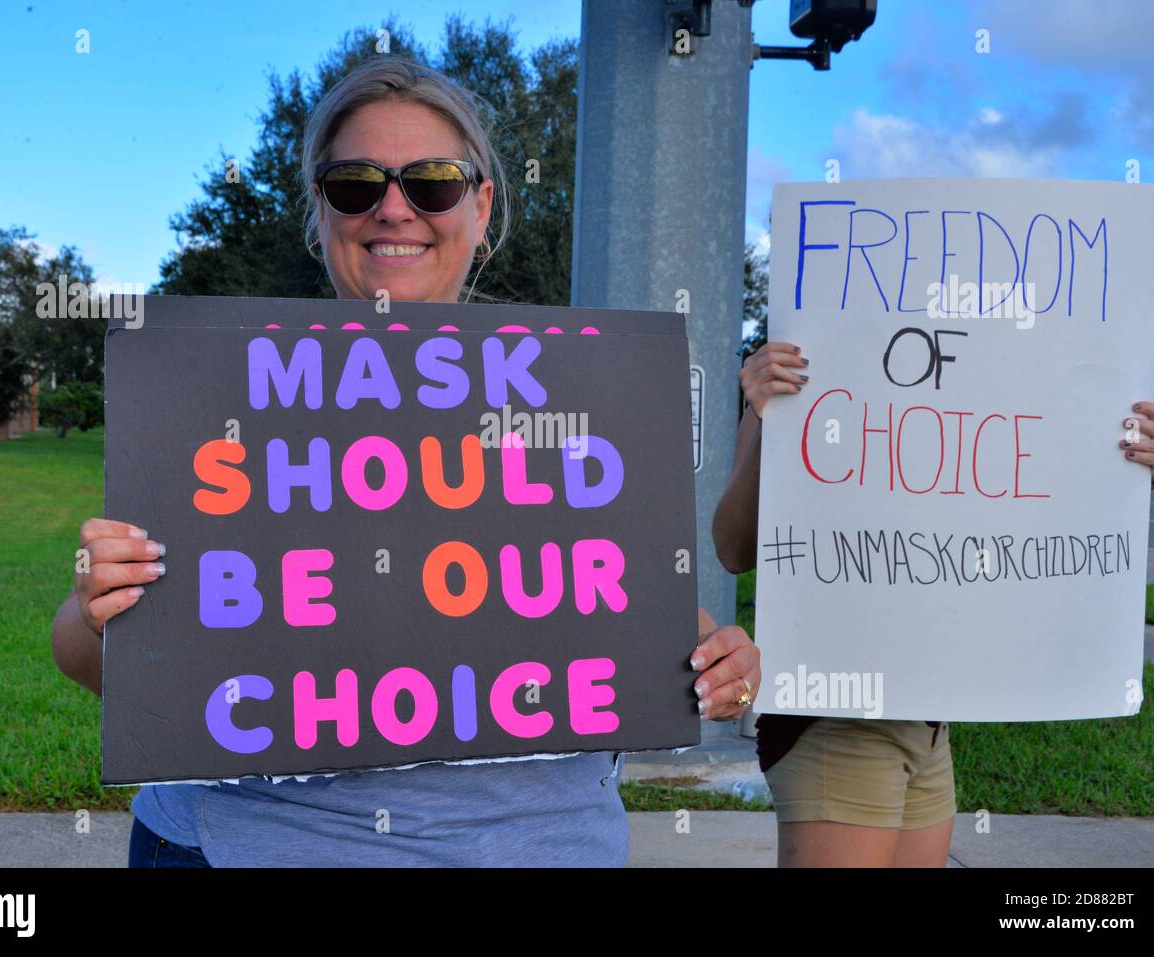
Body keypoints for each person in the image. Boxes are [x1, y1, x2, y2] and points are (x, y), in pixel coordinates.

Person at [50, 56, 761, 868]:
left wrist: (722, 663)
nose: (394, 209)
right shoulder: (219, 388)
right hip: (246, 846)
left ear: (481, 204)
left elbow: (624, 610)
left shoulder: (575, 398)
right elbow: (91, 657)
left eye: (433, 182)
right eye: (355, 183)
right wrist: (96, 602)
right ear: (320, 211)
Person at [712, 339, 1154, 867]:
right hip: (836, 719)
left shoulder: (994, 369)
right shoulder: (799, 355)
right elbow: (732, 548)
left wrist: (1136, 455)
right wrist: (770, 420)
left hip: (931, 721)